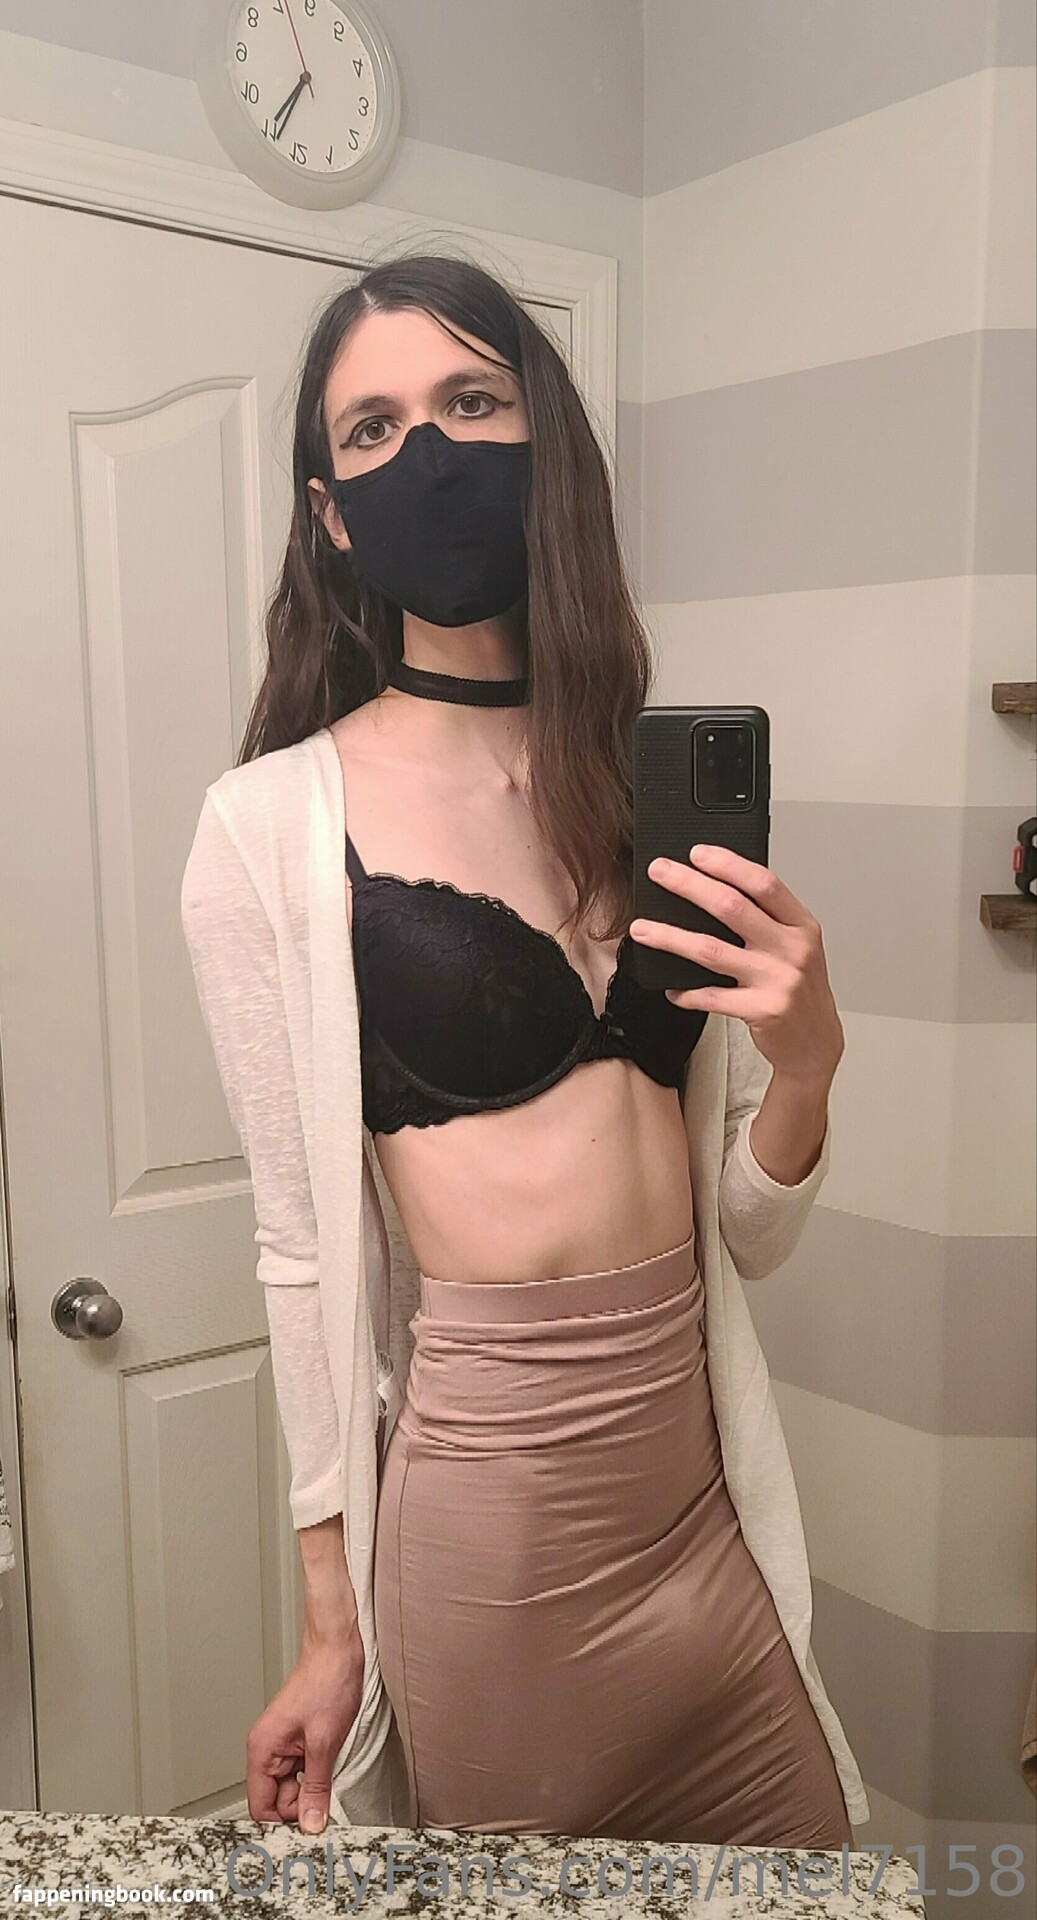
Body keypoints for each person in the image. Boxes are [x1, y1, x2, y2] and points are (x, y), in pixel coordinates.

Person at [181, 251, 868, 1846]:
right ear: (331, 514)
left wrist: (809, 1066)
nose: (425, 453)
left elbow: (743, 1234)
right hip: (499, 1543)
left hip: (706, 1514)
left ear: (545, 443)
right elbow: (299, 1249)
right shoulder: (269, 827)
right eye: (371, 430)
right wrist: (330, 1626)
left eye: (471, 401)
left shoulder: (641, 791)